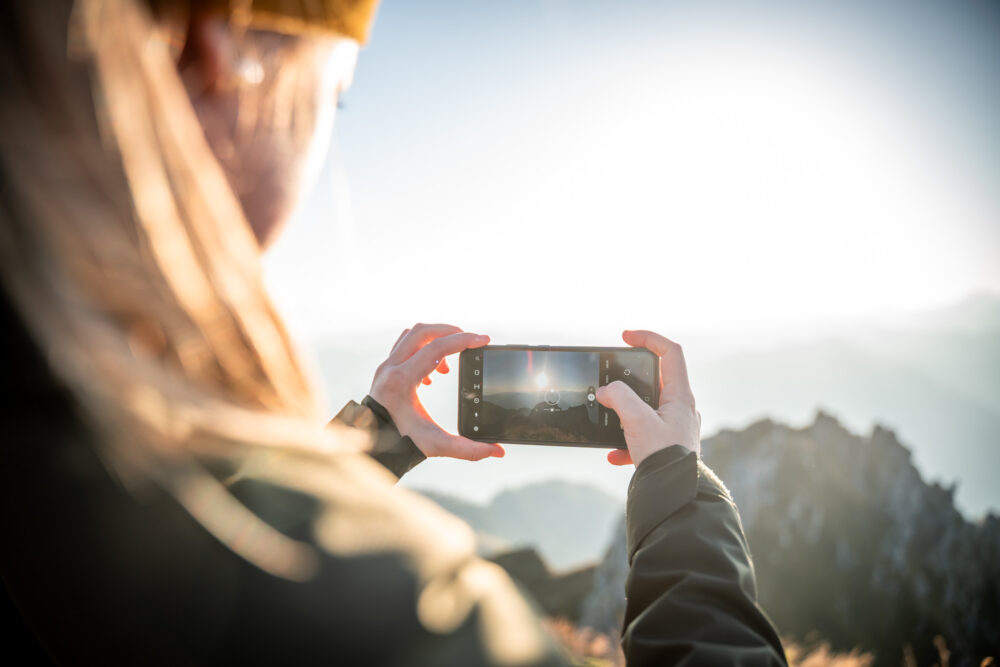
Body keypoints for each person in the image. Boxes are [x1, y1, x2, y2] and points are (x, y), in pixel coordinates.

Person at [0, 0, 788, 664]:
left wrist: (367, 444)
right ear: (225, 55)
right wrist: (679, 492)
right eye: (330, 97)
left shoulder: (68, 464)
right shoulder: (391, 616)